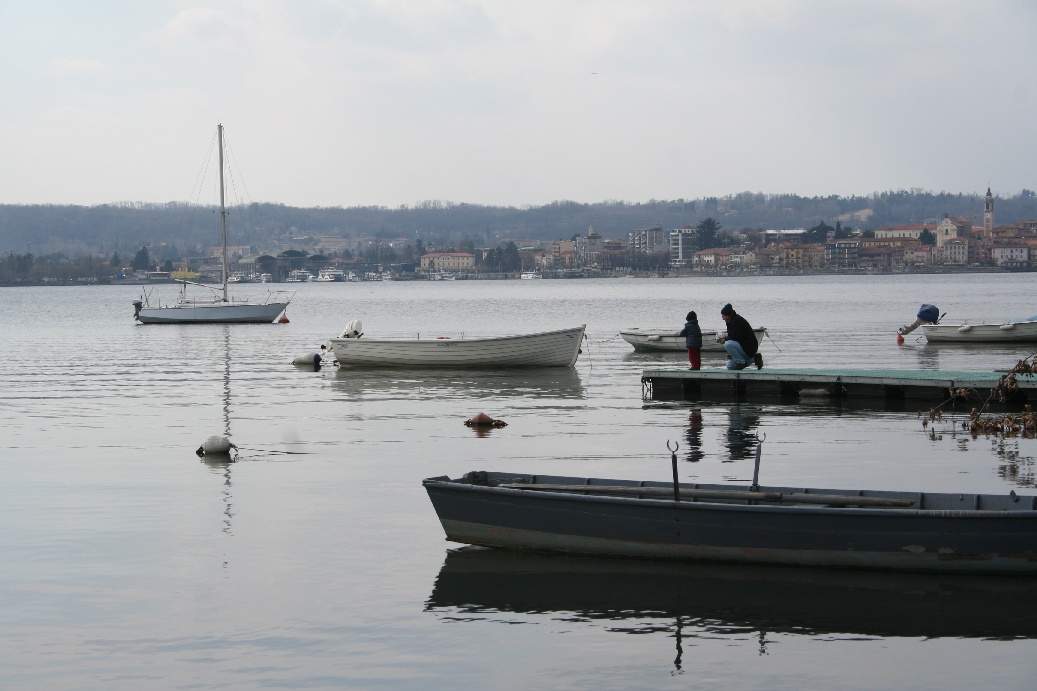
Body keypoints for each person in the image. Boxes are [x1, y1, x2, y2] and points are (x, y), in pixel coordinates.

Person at [719, 303, 762, 370]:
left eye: (723, 315)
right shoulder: (729, 321)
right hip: (742, 346)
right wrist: (733, 354)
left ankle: (741, 362)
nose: (722, 317)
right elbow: (732, 336)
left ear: (728, 315)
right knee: (730, 366)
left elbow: (735, 336)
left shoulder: (737, 320)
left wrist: (725, 339)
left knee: (727, 344)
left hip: (748, 346)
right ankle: (755, 359)